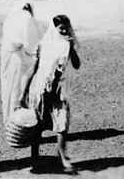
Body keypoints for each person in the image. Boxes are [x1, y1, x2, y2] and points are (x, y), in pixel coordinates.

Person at [28, 15, 81, 174]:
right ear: (54, 29)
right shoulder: (44, 44)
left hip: (60, 89)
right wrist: (25, 91)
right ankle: (35, 157)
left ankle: (62, 156)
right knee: (38, 123)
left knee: (62, 122)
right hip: (42, 87)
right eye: (61, 29)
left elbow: (76, 65)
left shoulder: (67, 45)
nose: (64, 31)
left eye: (66, 28)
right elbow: (35, 68)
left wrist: (71, 47)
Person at [0, 2, 44, 126]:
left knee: (9, 89)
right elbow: (31, 44)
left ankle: (10, 122)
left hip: (9, 58)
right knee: (19, 90)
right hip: (20, 61)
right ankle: (18, 123)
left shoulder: (11, 19)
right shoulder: (27, 19)